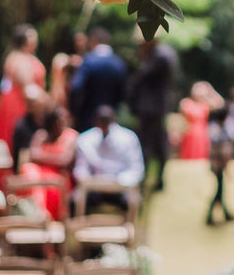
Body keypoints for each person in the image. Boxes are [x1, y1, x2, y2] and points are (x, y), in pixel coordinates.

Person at [128, 34, 178, 190]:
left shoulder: (160, 56)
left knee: (152, 144)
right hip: (153, 107)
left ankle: (151, 179)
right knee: (154, 144)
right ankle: (151, 178)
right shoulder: (160, 54)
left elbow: (142, 77)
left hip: (153, 108)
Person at [73, 106, 144, 213]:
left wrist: (118, 182)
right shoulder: (85, 139)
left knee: (133, 202)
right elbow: (81, 168)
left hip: (120, 188)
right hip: (93, 188)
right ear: (96, 122)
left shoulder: (129, 138)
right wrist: (90, 181)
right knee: (74, 201)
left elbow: (136, 168)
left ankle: (129, 227)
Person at [0, 24, 48, 156]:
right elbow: (28, 89)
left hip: (28, 104)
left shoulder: (25, 57)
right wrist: (49, 103)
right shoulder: (19, 59)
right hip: (21, 106)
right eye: (31, 35)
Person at [17, 107, 78, 220]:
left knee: (40, 178)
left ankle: (42, 214)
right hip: (40, 175)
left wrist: (43, 157)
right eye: (60, 120)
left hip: (60, 176)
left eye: (65, 119)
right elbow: (33, 155)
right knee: (28, 169)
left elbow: (65, 161)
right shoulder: (41, 135)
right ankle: (39, 212)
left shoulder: (70, 136)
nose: (63, 123)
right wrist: (55, 159)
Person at [69, 29, 128, 130]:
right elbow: (124, 93)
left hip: (89, 119)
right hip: (111, 119)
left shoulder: (87, 61)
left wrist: (74, 111)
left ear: (93, 41)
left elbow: (75, 88)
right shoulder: (119, 64)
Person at [206, 103, 234, 225]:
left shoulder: (219, 127)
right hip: (217, 163)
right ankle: (210, 215)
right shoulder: (217, 129)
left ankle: (223, 212)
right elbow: (219, 147)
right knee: (219, 190)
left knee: (220, 189)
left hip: (219, 163)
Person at [179, 82, 220, 161]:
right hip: (189, 133)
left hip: (202, 133)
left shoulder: (204, 104)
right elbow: (181, 120)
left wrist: (210, 90)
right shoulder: (186, 102)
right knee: (188, 156)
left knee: (201, 156)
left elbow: (220, 104)